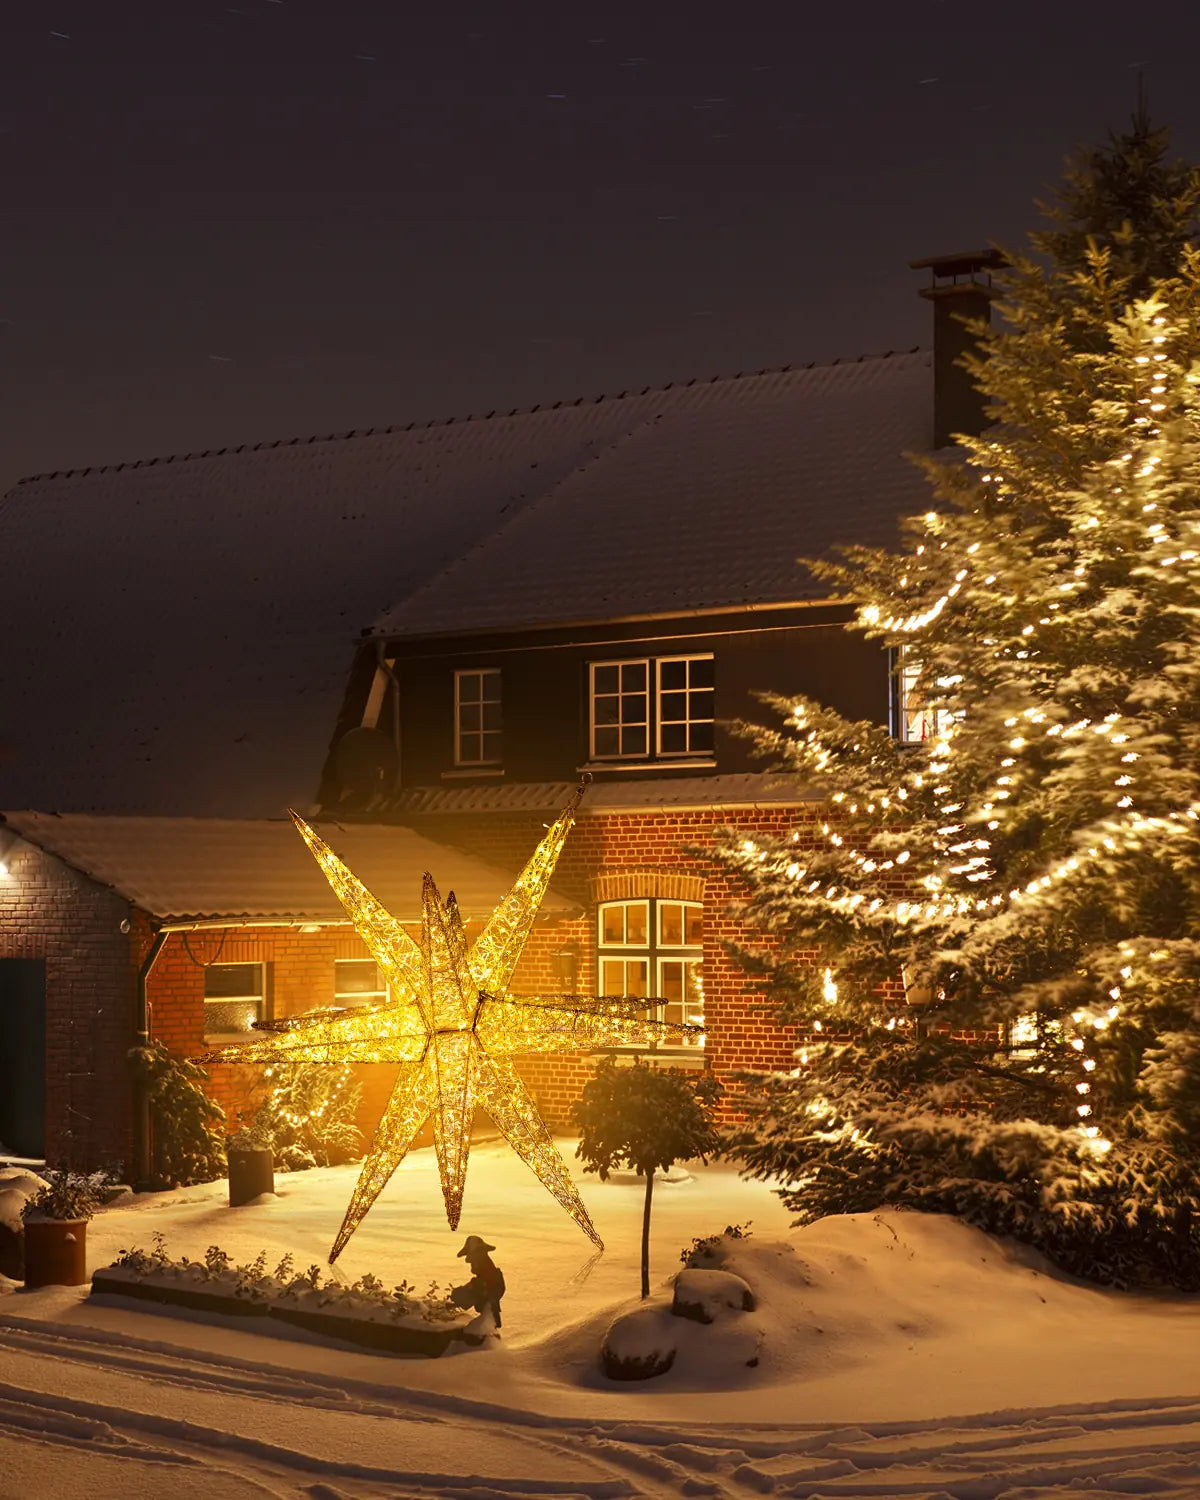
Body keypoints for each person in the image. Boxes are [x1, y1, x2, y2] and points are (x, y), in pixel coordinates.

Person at [451, 1234, 505, 1330]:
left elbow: (486, 1281)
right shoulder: (480, 1264)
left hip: (491, 1287)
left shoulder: (484, 1263)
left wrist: (472, 1287)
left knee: (489, 1306)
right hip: (487, 1286)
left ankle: (489, 1327)